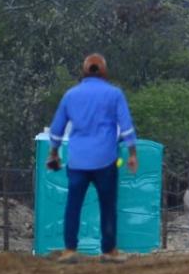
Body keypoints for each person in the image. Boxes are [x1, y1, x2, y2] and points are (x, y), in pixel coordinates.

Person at [45, 53, 139, 262]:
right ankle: (108, 251)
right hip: (105, 160)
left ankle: (70, 249)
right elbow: (126, 126)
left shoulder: (71, 95)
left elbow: (57, 128)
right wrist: (132, 153)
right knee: (107, 206)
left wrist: (53, 153)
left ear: (84, 71)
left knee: (73, 204)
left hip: (77, 160)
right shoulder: (114, 94)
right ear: (104, 72)